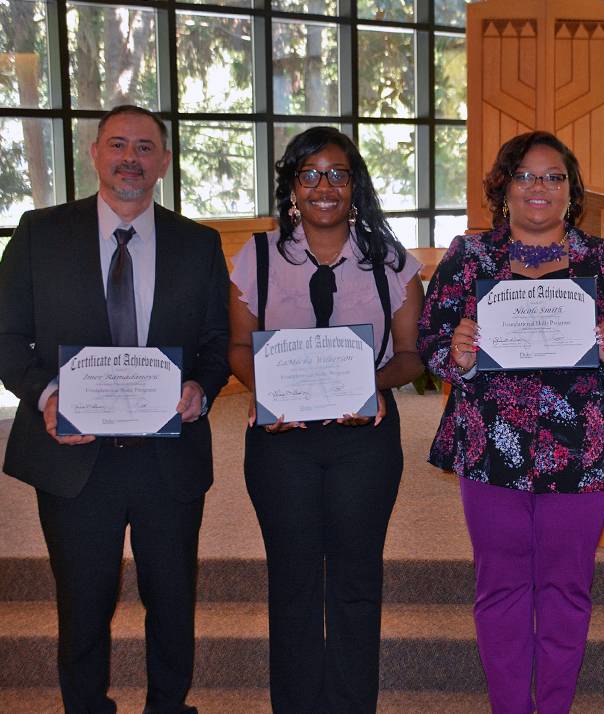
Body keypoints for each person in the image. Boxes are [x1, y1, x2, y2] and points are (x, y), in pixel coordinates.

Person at [0, 104, 230, 713]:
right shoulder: (39, 233)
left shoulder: (199, 244)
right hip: (73, 459)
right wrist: (48, 396)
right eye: (119, 145)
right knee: (81, 602)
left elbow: (215, 345)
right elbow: (6, 336)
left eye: (146, 147)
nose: (132, 158)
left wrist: (200, 390)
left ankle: (168, 706)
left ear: (164, 162)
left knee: (174, 599)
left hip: (167, 457)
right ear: (96, 153)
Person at [417, 130, 604, 714]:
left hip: (580, 447)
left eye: (553, 177)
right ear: (504, 188)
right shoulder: (468, 258)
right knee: (500, 589)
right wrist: (458, 352)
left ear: (571, 191)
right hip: (490, 445)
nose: (539, 187)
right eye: (526, 175)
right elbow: (431, 341)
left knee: (567, 590)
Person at [226, 126, 423, 713]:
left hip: (364, 439)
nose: (324, 187)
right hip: (280, 440)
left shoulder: (391, 261)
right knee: (292, 580)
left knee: (357, 579)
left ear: (355, 186)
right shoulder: (256, 255)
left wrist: (371, 384)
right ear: (291, 186)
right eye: (309, 175)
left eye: (337, 174)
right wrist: (273, 394)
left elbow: (412, 356)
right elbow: (237, 348)